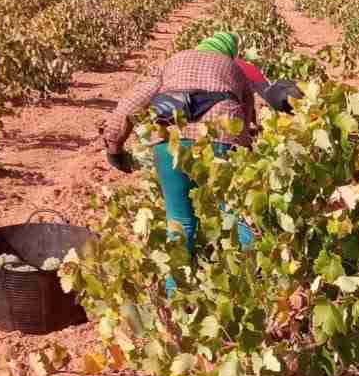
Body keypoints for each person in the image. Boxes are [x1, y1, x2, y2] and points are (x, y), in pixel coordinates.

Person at [102, 30, 261, 257]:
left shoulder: (174, 62)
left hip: (171, 142)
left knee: (179, 222)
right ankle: (253, 281)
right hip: (222, 140)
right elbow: (246, 118)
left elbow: (132, 103)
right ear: (230, 52)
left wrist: (115, 146)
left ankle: (174, 289)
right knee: (235, 215)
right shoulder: (234, 69)